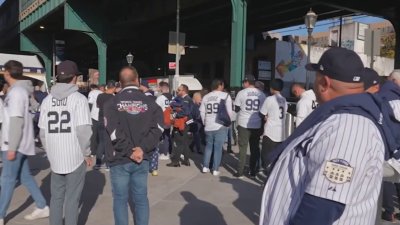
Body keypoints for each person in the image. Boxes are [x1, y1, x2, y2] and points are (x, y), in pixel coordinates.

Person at [259, 47, 387, 225]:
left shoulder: (348, 126)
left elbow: (322, 207)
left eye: (315, 76)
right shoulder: (339, 117)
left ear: (324, 83)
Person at [103, 66, 163, 225]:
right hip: (141, 158)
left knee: (120, 200)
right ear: (137, 80)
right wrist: (142, 148)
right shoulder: (151, 103)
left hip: (120, 158)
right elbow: (159, 129)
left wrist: (129, 151)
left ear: (120, 83)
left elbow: (113, 132)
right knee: (141, 199)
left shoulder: (111, 103)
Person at [38, 60, 93, 225]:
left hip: (55, 157)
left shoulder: (47, 101)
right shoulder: (79, 99)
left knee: (56, 198)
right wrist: (87, 153)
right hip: (75, 156)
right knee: (72, 199)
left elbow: (42, 133)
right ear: (74, 77)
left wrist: (50, 152)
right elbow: (83, 131)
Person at [0, 60, 49, 225]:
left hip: (14, 143)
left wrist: (11, 147)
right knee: (25, 176)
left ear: (7, 73)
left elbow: (16, 121)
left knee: (7, 179)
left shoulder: (16, 93)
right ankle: (42, 205)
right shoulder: (20, 91)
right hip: (19, 143)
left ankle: (0, 214)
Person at [234, 75, 266, 178]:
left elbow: (237, 108)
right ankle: (253, 172)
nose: (243, 83)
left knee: (243, 149)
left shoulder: (241, 93)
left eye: (244, 82)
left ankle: (240, 172)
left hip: (244, 124)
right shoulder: (261, 94)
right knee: (254, 149)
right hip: (257, 125)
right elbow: (263, 111)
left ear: (247, 82)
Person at [200, 79, 232, 176]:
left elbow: (201, 111)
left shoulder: (206, 97)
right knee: (218, 148)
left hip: (208, 125)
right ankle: (215, 169)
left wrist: (204, 122)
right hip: (220, 124)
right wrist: (228, 123)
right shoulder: (225, 95)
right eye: (222, 85)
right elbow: (229, 112)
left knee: (208, 146)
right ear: (220, 85)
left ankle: (205, 167)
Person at [260, 79, 287, 171]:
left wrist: (266, 116)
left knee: (266, 157)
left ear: (272, 88)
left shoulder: (269, 99)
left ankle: (267, 176)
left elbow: (262, 113)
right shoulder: (284, 100)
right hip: (281, 133)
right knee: (276, 157)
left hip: (270, 132)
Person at [167, 84, 194, 167]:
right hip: (184, 123)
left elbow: (185, 112)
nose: (177, 91)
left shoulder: (186, 99)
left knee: (178, 142)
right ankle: (186, 160)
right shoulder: (184, 99)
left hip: (182, 123)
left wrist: (174, 111)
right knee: (184, 142)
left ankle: (175, 161)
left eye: (179, 90)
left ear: (184, 91)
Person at [94, 80, 117, 170]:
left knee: (101, 142)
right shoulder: (113, 97)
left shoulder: (100, 95)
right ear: (114, 88)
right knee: (109, 143)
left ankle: (98, 163)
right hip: (109, 121)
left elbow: (97, 105)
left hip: (100, 120)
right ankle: (108, 163)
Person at [156, 81, 173, 160]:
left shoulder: (160, 98)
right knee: (168, 136)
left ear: (162, 88)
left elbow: (156, 110)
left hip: (163, 119)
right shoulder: (173, 97)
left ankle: (165, 153)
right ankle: (170, 152)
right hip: (171, 119)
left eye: (159, 87)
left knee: (163, 136)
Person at [88, 84, 103, 158]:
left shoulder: (92, 92)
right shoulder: (102, 92)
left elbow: (90, 105)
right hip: (101, 116)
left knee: (93, 134)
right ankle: (101, 151)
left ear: (92, 88)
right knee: (100, 135)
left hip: (94, 116)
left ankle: (93, 152)